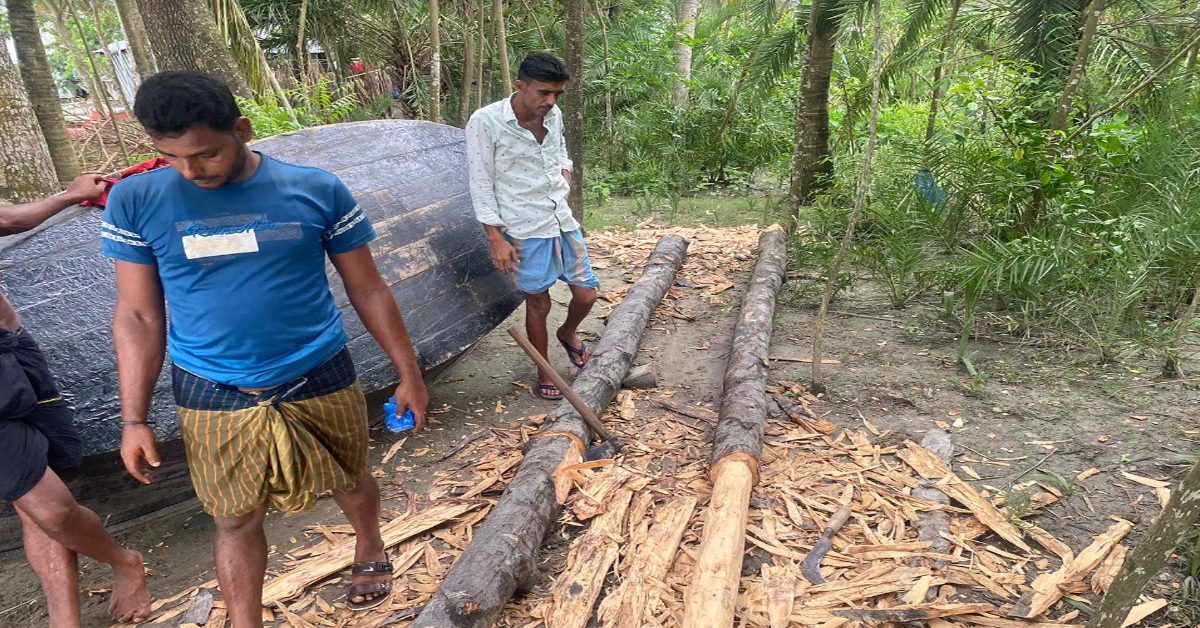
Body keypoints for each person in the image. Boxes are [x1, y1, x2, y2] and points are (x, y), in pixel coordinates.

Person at [102, 71, 429, 626]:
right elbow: (137, 314)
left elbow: (367, 287)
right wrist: (133, 418)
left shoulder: (316, 189)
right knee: (233, 517)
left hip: (317, 369)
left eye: (205, 154)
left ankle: (370, 544)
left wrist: (409, 373)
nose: (189, 170)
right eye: (170, 157)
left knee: (347, 476)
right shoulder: (135, 201)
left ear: (243, 129)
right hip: (211, 385)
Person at [0, 175, 153, 626]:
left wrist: (71, 194)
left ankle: (65, 620)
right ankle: (124, 562)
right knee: (46, 506)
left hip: (12, 353)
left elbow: (8, 219)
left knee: (40, 497)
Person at [465, 53, 599, 400]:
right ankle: (546, 370)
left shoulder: (553, 114)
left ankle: (568, 333)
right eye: (543, 93)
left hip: (560, 217)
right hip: (522, 225)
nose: (550, 101)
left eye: (556, 94)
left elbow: (560, 148)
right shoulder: (486, 122)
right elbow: (480, 181)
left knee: (587, 293)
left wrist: (565, 170)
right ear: (521, 86)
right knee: (538, 303)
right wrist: (494, 236)